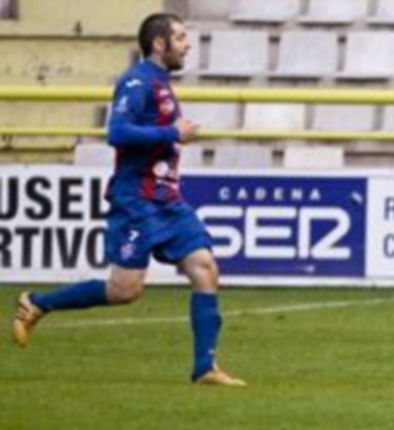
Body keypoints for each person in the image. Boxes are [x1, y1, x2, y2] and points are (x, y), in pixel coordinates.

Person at [11, 13, 245, 387]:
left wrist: (173, 136)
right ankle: (37, 302)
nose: (187, 44)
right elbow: (117, 132)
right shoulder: (137, 82)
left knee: (204, 267)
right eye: (180, 37)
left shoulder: (160, 83)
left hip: (167, 200)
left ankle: (205, 368)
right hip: (136, 200)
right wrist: (172, 132)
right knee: (125, 290)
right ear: (159, 44)